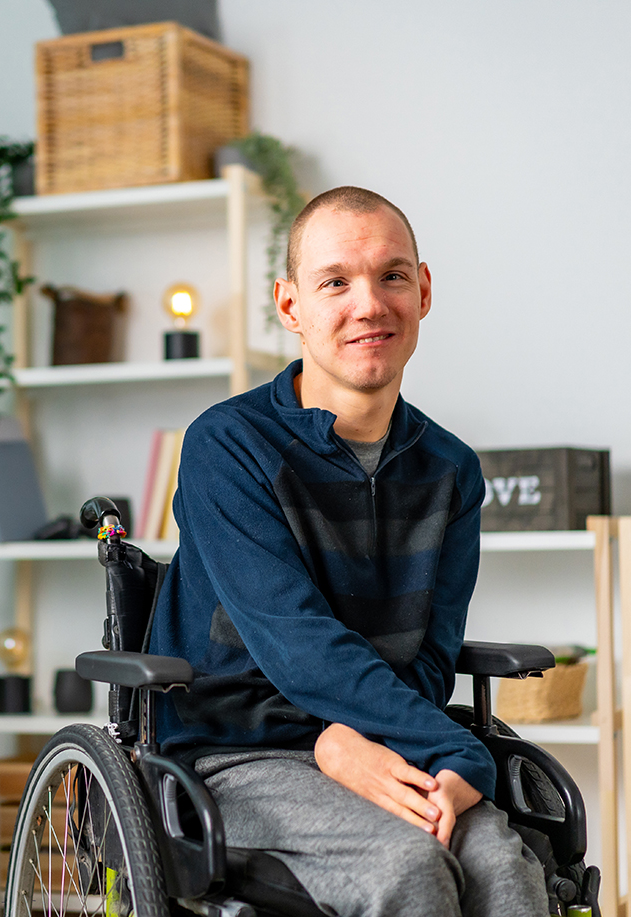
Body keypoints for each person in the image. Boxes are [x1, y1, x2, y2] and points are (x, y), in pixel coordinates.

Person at [149, 186, 548, 917]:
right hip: (239, 755)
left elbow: (432, 655)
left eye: (391, 275)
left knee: (503, 864)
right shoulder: (228, 446)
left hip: (388, 740)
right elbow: (297, 644)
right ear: (291, 304)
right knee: (407, 869)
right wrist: (457, 754)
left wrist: (384, 745)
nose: (369, 303)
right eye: (335, 281)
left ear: (422, 291)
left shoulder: (450, 469)